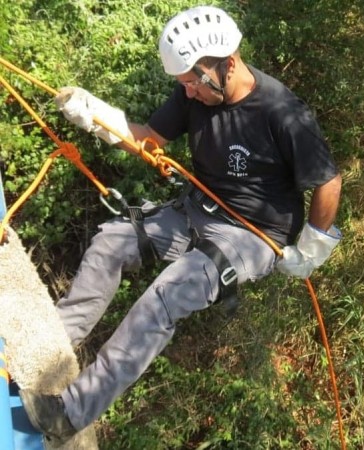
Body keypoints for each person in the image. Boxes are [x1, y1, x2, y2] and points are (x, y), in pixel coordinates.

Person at [20, 5, 342, 446]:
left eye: (193, 82)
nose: (187, 93)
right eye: (183, 84)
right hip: (195, 210)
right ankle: (45, 347)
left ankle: (69, 413)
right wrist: (95, 114)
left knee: (167, 294)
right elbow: (151, 139)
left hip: (251, 234)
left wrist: (312, 248)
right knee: (112, 240)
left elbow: (328, 181)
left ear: (228, 64)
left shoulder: (282, 112)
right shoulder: (194, 91)